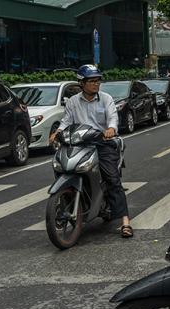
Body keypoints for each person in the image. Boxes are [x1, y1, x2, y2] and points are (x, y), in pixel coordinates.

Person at [50, 64, 133, 238]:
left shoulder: (106, 99)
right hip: (78, 144)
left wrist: (110, 129)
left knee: (112, 178)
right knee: (61, 168)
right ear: (82, 83)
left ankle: (125, 221)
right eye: (91, 81)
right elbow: (66, 121)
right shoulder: (73, 101)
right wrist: (57, 132)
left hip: (102, 143)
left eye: (97, 81)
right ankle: (65, 204)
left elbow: (112, 117)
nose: (96, 84)